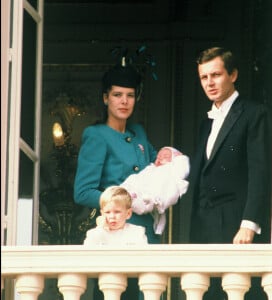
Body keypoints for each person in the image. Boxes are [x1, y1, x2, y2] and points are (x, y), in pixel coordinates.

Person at [189, 47, 272, 300]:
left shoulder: (254, 113)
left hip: (236, 226)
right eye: (204, 77)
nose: (209, 83)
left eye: (216, 75)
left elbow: (260, 170)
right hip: (204, 227)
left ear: (233, 75)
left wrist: (249, 223)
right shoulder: (207, 122)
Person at [74, 59, 159, 299]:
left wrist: (168, 156)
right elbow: (82, 191)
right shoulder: (96, 135)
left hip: (145, 234)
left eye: (130, 95)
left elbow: (156, 168)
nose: (124, 101)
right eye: (117, 94)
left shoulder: (139, 133)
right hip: (114, 234)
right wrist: (118, 203)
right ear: (105, 98)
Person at [120, 146, 190, 235]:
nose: (160, 158)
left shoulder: (172, 169)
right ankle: (127, 194)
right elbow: (140, 177)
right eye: (158, 156)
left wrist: (178, 158)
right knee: (133, 179)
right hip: (140, 192)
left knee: (162, 185)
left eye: (166, 156)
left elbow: (182, 166)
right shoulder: (151, 169)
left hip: (155, 195)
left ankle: (148, 200)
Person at [83, 186, 148, 246]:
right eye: (107, 212)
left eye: (117, 212)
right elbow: (87, 253)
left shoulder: (136, 233)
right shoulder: (95, 234)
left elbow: (142, 255)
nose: (112, 216)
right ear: (102, 214)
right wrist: (100, 229)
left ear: (128, 213)